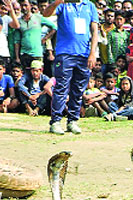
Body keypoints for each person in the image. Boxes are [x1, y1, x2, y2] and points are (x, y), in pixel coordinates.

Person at [43, 0, 99, 135]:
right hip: (65, 53)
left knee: (78, 89)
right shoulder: (63, 4)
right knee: (61, 88)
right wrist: (58, 1)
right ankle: (55, 121)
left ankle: (72, 121)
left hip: (84, 54)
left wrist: (92, 53)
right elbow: (45, 14)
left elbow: (95, 31)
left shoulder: (89, 6)